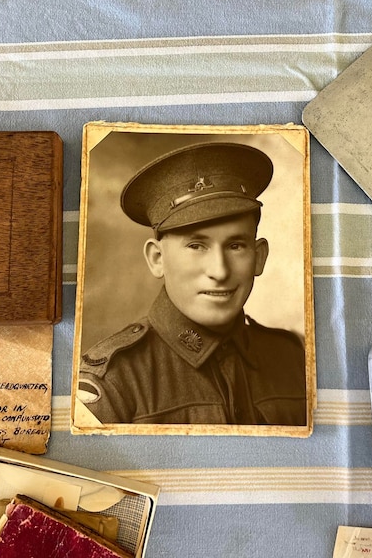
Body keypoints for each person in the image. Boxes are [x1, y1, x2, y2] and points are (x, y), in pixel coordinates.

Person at [77, 142, 307, 425]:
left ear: (259, 257)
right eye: (197, 245)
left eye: (236, 245)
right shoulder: (114, 380)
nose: (220, 271)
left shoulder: (292, 359)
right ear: (157, 258)